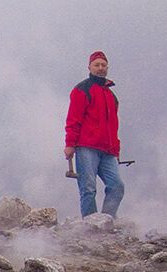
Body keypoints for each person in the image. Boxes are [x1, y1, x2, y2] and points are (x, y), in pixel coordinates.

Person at [64, 50, 124, 218]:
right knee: (88, 188)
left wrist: (116, 150)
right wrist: (70, 144)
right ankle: (91, 227)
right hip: (86, 147)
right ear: (89, 67)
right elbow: (73, 119)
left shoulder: (111, 96)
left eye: (103, 65)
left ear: (107, 68)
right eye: (97, 65)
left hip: (108, 150)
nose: (100, 68)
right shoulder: (82, 90)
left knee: (117, 186)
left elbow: (114, 126)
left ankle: (105, 221)